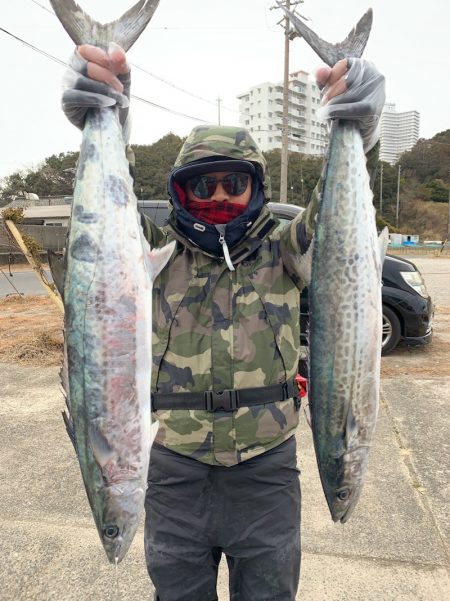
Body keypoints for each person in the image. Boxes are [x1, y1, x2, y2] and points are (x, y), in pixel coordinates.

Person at [63, 42, 385, 601]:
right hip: (172, 470)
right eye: (201, 184)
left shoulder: (285, 250)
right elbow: (108, 208)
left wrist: (363, 125)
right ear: (179, 192)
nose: (218, 197)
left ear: (256, 187)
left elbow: (339, 212)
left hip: (266, 473)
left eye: (234, 183)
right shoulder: (154, 261)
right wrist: (111, 105)